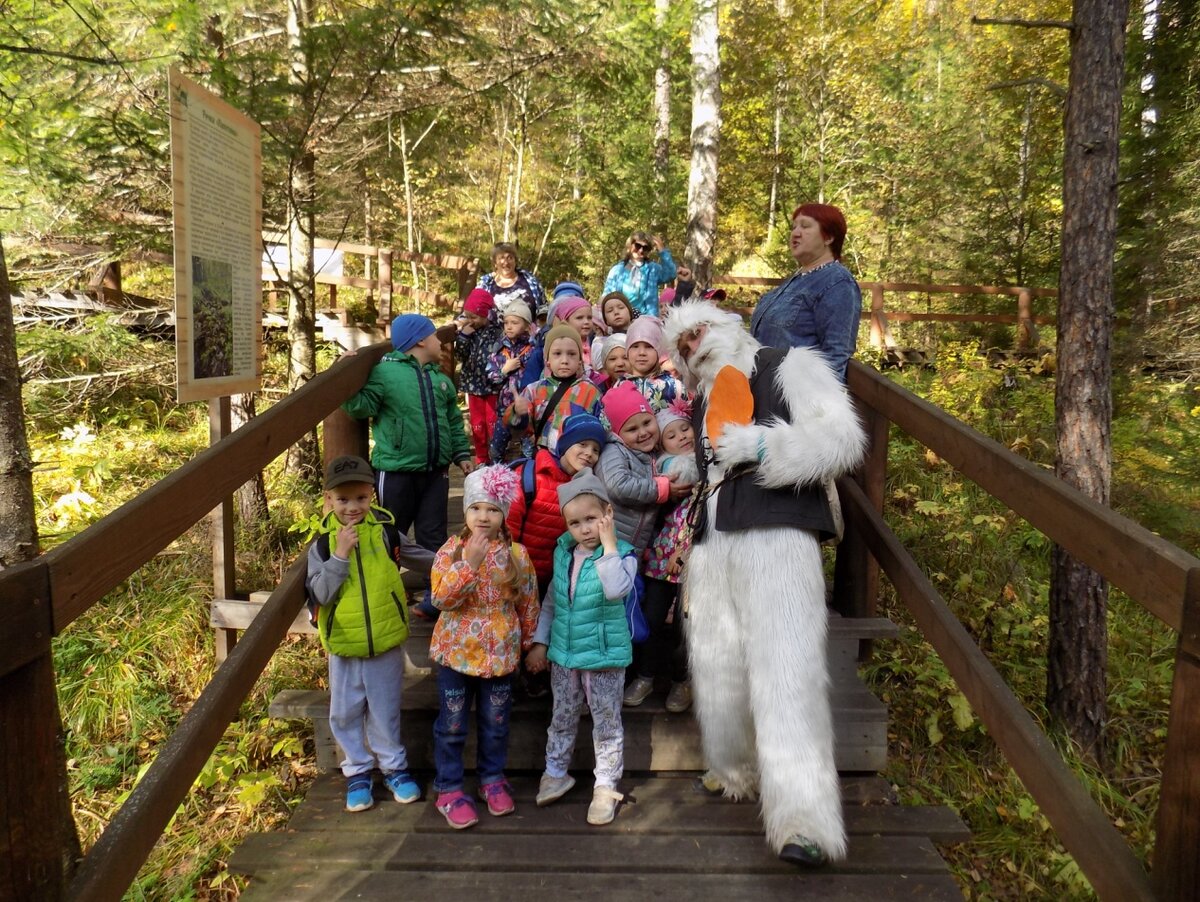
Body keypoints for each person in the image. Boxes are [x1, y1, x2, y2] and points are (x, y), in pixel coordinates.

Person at [664, 300, 867, 867]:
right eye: (681, 344)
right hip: (715, 544)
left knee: (787, 673)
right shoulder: (705, 396)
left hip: (778, 537)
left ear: (727, 324)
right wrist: (691, 470)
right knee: (717, 660)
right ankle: (735, 768)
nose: (693, 345)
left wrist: (767, 446)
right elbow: (714, 467)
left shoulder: (790, 365)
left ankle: (805, 820)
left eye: (697, 330)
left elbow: (843, 438)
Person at [305, 455, 432, 812]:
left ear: (372, 495)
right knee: (344, 711)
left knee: (385, 708)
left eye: (361, 498)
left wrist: (454, 562)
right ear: (328, 499)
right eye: (343, 500)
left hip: (386, 638)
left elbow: (418, 556)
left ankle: (394, 767)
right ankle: (358, 770)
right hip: (344, 643)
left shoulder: (386, 531)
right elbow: (320, 593)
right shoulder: (322, 545)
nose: (352, 507)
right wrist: (340, 557)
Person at [428, 465, 541, 829]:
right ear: (465, 511)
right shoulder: (451, 550)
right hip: (456, 655)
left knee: (495, 724)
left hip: (501, 657)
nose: (484, 516)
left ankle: (491, 779)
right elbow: (441, 599)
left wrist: (529, 645)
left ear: (503, 515)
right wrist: (470, 565)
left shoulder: (517, 555)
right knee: (453, 725)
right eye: (476, 508)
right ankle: (448, 787)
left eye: (493, 509)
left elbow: (528, 603)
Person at [525, 468, 638, 826]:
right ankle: (556, 771)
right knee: (561, 716)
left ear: (608, 514)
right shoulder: (564, 553)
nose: (584, 528)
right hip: (565, 655)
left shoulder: (623, 553)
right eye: (575, 523)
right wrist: (541, 642)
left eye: (591, 519)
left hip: (603, 657)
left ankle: (605, 785)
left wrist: (608, 547)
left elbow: (615, 588)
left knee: (606, 723)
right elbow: (552, 604)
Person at [343, 314, 474, 560]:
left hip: (436, 471)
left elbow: (453, 421)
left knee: (433, 533)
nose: (440, 341)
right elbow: (362, 406)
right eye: (435, 335)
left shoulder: (440, 380)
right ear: (421, 341)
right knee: (391, 531)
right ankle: (388, 584)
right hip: (396, 471)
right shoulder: (385, 373)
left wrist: (461, 453)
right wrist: (344, 378)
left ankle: (435, 591)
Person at [622, 403, 696, 713]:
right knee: (651, 617)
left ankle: (682, 680)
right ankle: (646, 675)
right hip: (659, 559)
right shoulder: (663, 472)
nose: (681, 437)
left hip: (693, 559)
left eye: (685, 428)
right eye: (671, 434)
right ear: (661, 444)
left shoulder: (709, 466)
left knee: (685, 624)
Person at [750, 203, 861, 382]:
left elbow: (836, 354)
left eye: (806, 226)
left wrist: (819, 404)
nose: (795, 233)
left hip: (792, 398)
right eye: (794, 227)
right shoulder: (796, 280)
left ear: (829, 237)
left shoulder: (838, 283)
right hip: (763, 393)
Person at [505, 411, 608, 599]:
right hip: (515, 573)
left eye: (596, 449)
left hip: (552, 581)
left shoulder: (587, 488)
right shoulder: (532, 476)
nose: (588, 453)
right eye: (582, 444)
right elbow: (508, 525)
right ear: (565, 444)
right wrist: (509, 566)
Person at [596, 382, 691, 556]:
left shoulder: (651, 456)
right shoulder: (614, 451)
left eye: (647, 422)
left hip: (635, 550)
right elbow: (617, 485)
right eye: (632, 429)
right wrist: (661, 488)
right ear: (618, 433)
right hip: (609, 548)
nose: (643, 432)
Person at [506, 324, 601, 453]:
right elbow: (519, 431)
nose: (565, 360)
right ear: (547, 360)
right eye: (557, 354)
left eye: (572, 354)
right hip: (541, 461)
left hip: (577, 462)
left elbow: (602, 429)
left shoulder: (591, 391)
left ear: (580, 360)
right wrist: (517, 413)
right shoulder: (533, 390)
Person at [455, 289, 504, 465]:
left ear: (487, 314)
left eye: (474, 317)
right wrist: (463, 337)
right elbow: (461, 355)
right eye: (467, 316)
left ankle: (495, 455)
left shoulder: (498, 332)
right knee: (477, 423)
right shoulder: (469, 332)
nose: (470, 321)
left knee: (492, 421)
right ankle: (481, 457)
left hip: (492, 386)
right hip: (473, 385)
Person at [486, 300, 537, 463]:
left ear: (527, 326)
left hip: (527, 409)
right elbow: (490, 377)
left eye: (514, 322)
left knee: (529, 448)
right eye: (506, 322)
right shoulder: (499, 349)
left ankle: (527, 474)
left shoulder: (533, 349)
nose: (509, 326)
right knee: (497, 446)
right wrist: (504, 370)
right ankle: (498, 473)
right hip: (505, 407)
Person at [603, 232, 677, 318]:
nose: (641, 250)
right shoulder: (617, 270)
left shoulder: (652, 269)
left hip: (646, 320)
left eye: (645, 248)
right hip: (622, 319)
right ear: (630, 246)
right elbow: (606, 297)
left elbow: (671, 274)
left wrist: (662, 251)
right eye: (638, 246)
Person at [623, 316, 686, 412]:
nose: (641, 352)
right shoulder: (619, 388)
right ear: (627, 351)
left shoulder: (674, 387)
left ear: (659, 350)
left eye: (649, 346)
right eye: (635, 346)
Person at [477, 241, 547, 319]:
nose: (506, 262)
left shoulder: (530, 280)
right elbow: (473, 311)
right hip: (493, 330)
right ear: (495, 263)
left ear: (515, 261)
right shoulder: (485, 285)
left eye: (510, 258)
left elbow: (544, 308)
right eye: (501, 258)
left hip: (529, 330)